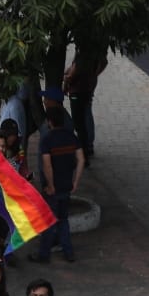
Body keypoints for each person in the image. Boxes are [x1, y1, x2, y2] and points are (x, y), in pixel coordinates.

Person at [31, 103, 84, 263]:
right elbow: (81, 159)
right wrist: (76, 181)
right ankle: (69, 253)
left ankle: (43, 255)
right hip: (67, 185)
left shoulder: (47, 140)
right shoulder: (71, 137)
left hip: (53, 188)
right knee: (63, 220)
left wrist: (50, 184)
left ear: (49, 122)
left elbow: (47, 164)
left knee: (50, 220)